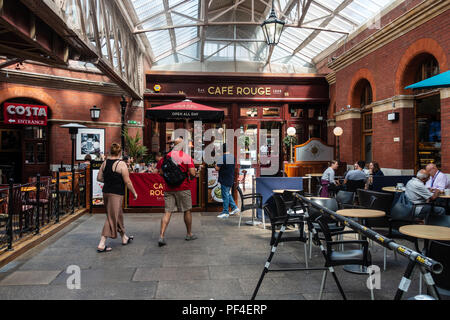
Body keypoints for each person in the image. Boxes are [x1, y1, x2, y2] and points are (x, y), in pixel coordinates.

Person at [96, 143, 138, 252]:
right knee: (111, 217)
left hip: (106, 192)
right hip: (116, 194)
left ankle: (124, 237)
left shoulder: (105, 163)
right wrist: (134, 192)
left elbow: (99, 178)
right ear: (119, 152)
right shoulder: (121, 164)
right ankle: (102, 243)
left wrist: (109, 180)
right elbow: (127, 181)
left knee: (117, 214)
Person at [156, 138, 198, 247]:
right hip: (183, 187)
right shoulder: (186, 157)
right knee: (187, 210)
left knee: (167, 212)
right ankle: (189, 234)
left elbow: (160, 172)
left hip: (169, 188)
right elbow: (192, 173)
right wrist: (193, 174)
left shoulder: (165, 157)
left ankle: (161, 236)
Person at [216, 144, 240, 219]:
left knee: (225, 195)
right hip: (230, 178)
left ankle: (225, 212)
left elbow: (217, 168)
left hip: (224, 179)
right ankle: (235, 208)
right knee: (227, 194)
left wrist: (215, 164)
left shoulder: (222, 157)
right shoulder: (233, 157)